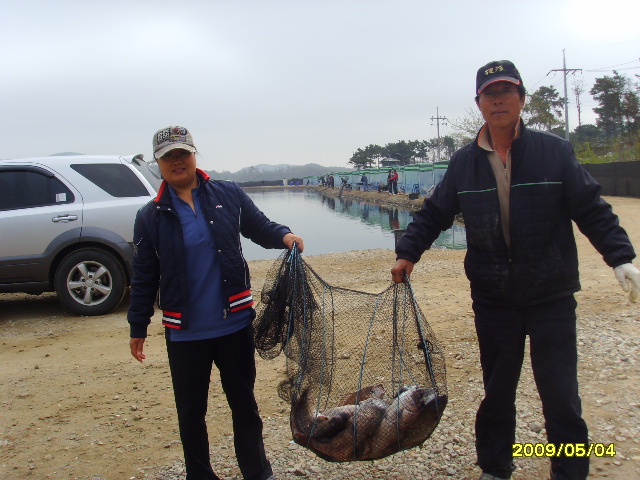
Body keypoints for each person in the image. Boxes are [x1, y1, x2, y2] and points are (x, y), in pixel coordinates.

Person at [391, 60, 640, 480]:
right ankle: (495, 467)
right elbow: (434, 214)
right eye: (490, 93)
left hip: (551, 294)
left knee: (561, 396)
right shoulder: (464, 162)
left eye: (506, 91)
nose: (498, 100)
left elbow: (591, 208)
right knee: (497, 391)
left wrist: (621, 257)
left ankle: (570, 472)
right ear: (479, 103)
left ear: (522, 99)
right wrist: (407, 254)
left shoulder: (554, 151)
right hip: (494, 299)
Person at [128, 126, 303, 480]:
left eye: (183, 153)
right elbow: (144, 275)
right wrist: (138, 326)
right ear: (158, 163)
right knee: (191, 413)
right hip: (185, 332)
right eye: (168, 156)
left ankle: (258, 472)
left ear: (195, 155)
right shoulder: (150, 215)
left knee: (245, 406)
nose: (177, 161)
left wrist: (285, 235)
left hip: (234, 325)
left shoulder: (228, 194)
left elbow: (259, 227)